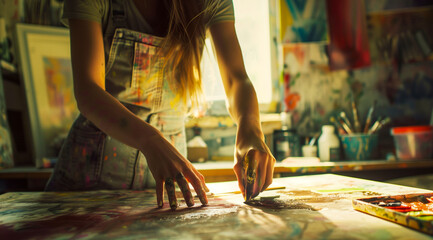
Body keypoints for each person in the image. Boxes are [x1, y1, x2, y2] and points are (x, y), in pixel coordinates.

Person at [45, 0, 276, 210]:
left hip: (170, 190)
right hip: (89, 186)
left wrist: (251, 128)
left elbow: (237, 79)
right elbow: (88, 92)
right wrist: (150, 140)